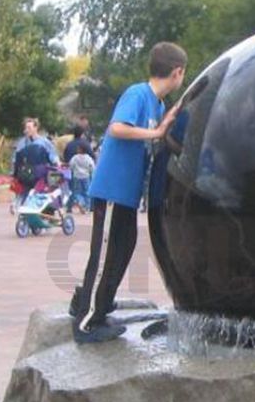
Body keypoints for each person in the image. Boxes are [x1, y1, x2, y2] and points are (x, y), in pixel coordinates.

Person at [71, 42, 187, 343]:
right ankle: (86, 323)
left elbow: (158, 139)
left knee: (124, 246)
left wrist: (167, 127)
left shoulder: (158, 106)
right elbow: (117, 129)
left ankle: (91, 301)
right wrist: (157, 132)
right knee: (106, 251)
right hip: (112, 189)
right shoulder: (138, 94)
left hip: (127, 195)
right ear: (177, 72)